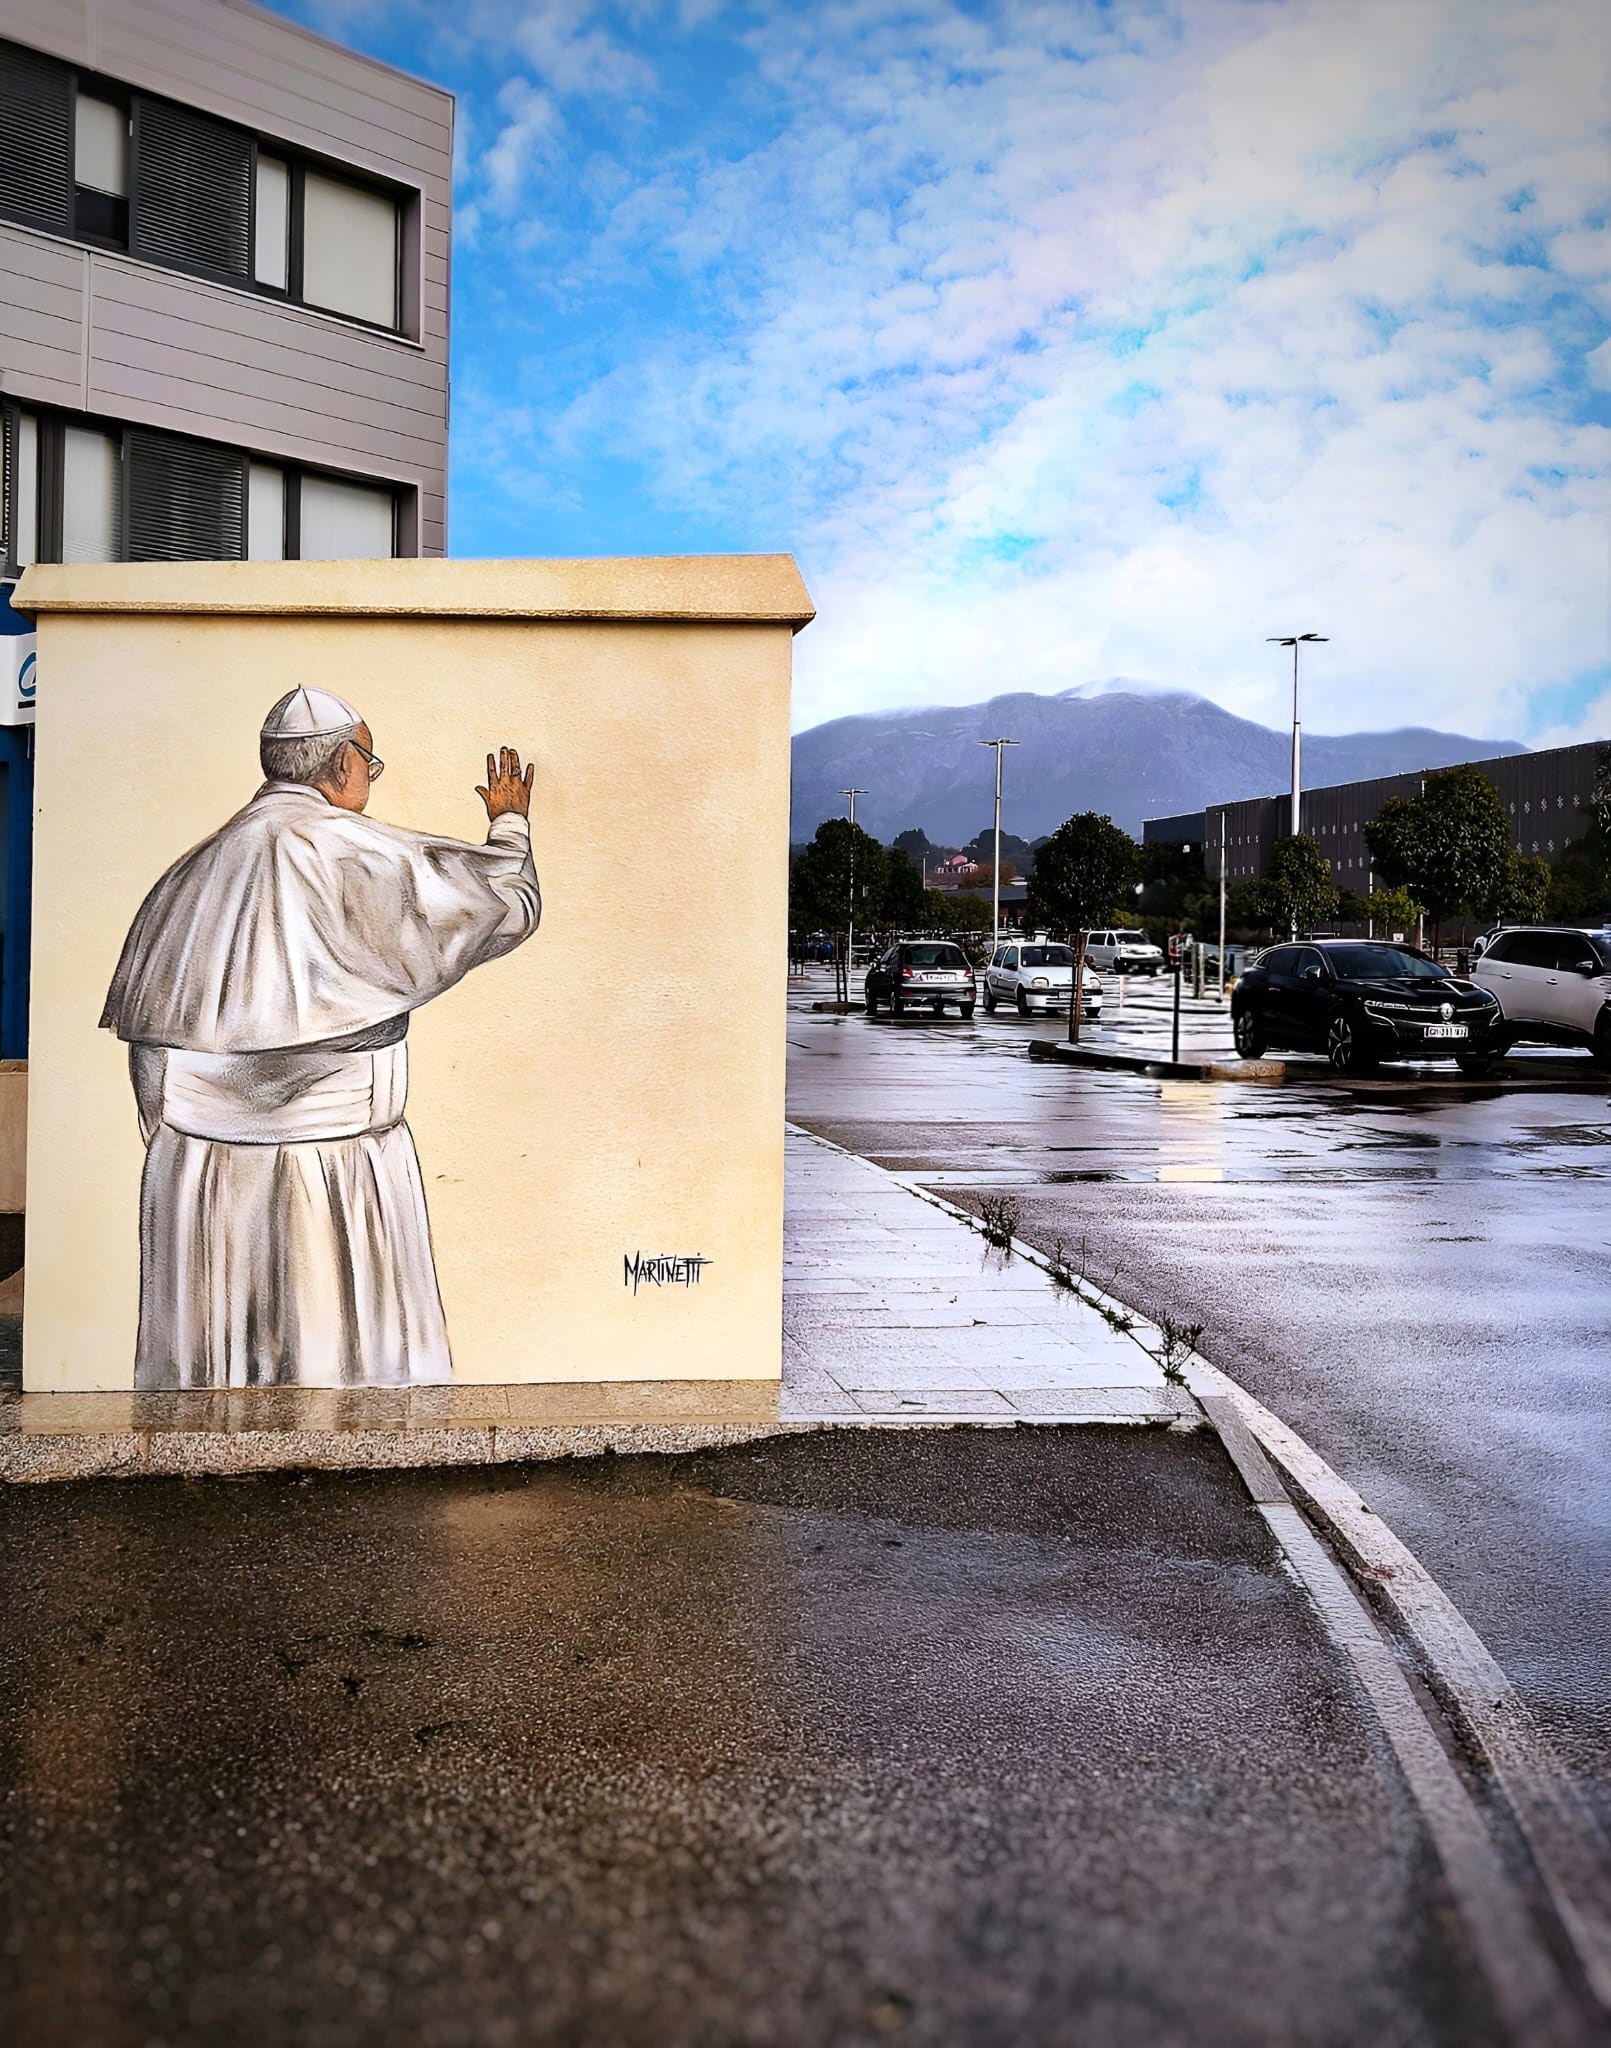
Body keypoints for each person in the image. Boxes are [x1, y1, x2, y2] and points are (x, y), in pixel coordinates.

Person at [101, 687, 542, 1390]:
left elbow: (148, 1050)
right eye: (369, 759)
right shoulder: (359, 850)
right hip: (340, 1168)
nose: (369, 773)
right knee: (347, 1368)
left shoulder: (190, 870)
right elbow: (505, 907)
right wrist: (511, 824)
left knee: (219, 1377)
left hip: (197, 1173)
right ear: (341, 764)